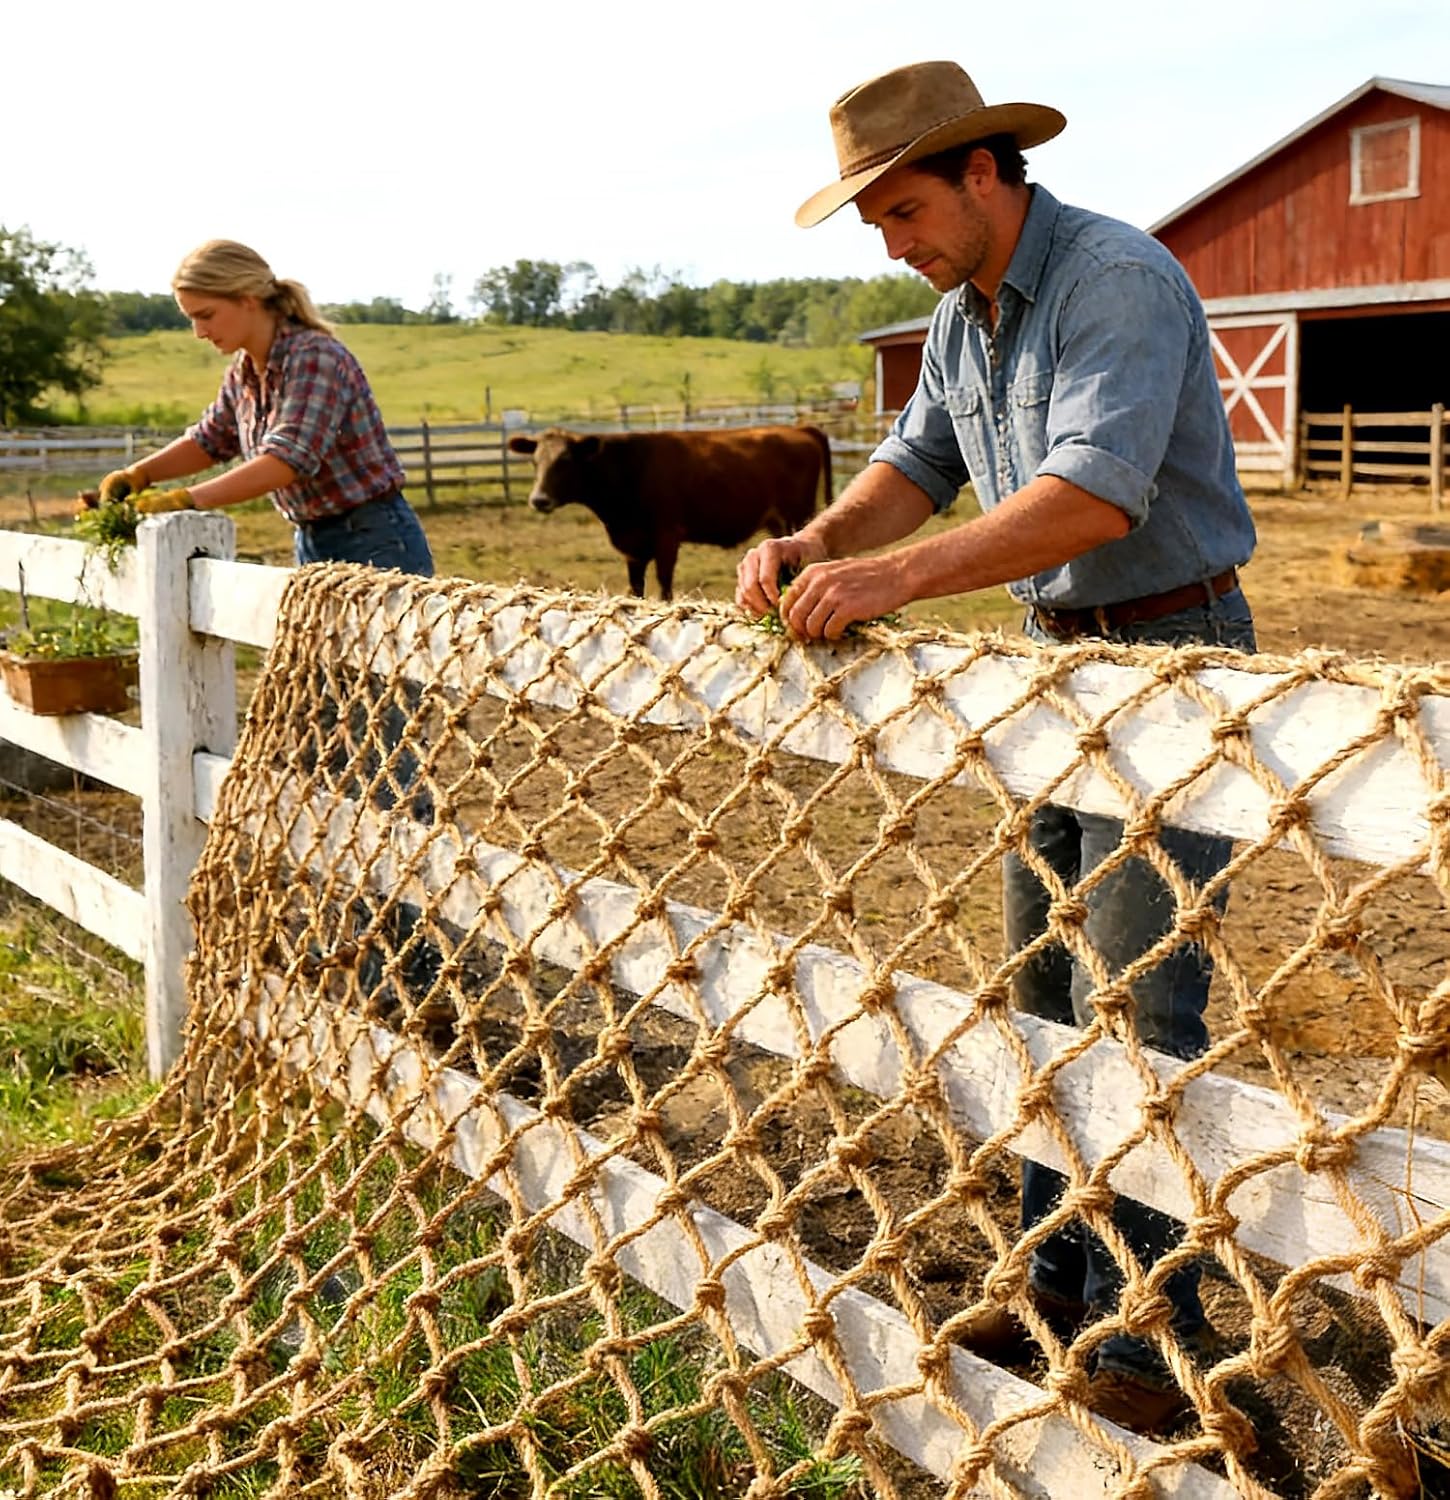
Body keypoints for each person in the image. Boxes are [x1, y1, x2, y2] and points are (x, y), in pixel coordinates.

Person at [736, 61, 1258, 1433]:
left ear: (983, 173)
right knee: (1037, 989)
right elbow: (912, 464)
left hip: (1168, 651)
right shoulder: (964, 316)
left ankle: (1152, 1336)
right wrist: (815, 542)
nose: (892, 247)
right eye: (873, 229)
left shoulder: (1114, 279)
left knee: (1142, 1003)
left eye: (900, 212)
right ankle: (1048, 1289)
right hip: (1054, 662)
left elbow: (1091, 495)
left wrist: (893, 581)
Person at [95, 239, 433, 577]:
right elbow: (208, 441)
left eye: (206, 315)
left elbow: (286, 460)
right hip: (311, 537)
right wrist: (140, 474)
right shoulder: (245, 371)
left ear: (247, 299)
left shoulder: (315, 357)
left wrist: (185, 500)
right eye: (191, 319)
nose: (199, 332)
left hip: (374, 537)